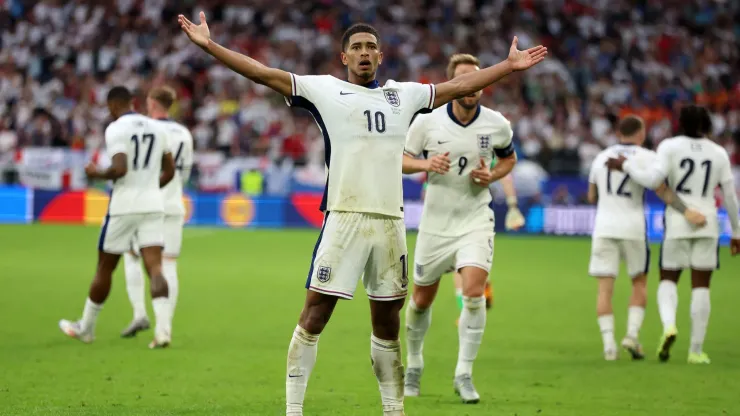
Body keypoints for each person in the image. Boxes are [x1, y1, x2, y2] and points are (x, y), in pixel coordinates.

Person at [179, 12, 546, 416]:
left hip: (390, 224)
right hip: (344, 217)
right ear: (343, 58)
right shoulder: (324, 90)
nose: (364, 52)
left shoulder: (402, 96)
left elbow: (458, 85)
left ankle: (393, 409)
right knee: (315, 314)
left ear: (381, 56)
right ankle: (293, 409)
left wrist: (507, 67)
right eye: (356, 47)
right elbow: (263, 73)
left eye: (371, 46)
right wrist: (211, 46)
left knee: (388, 323)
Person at [401, 53, 518, 404]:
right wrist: (425, 163)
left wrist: (493, 175)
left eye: (478, 79)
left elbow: (509, 158)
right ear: (454, 84)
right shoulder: (427, 123)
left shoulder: (497, 124)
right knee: (421, 300)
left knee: (474, 292)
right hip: (436, 224)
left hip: (475, 220)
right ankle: (415, 364)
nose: (472, 87)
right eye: (465, 80)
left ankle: (464, 373)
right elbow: (401, 160)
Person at [606, 106, 740, 364]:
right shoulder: (718, 152)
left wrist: (628, 165)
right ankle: (696, 350)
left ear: (680, 123)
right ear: (707, 125)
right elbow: (731, 197)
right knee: (702, 285)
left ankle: (669, 325)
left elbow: (652, 179)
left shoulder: (670, 146)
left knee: (668, 278)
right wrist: (736, 232)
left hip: (678, 221)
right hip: (708, 222)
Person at [58, 86, 176, 349]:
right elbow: (170, 172)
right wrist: (149, 189)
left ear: (112, 106)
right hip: (153, 204)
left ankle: (86, 328)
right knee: (155, 267)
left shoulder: (116, 129)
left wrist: (96, 174)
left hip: (123, 206)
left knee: (105, 267)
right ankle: (164, 331)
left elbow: (120, 168)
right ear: (133, 102)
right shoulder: (158, 128)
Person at [588, 115, 704, 361]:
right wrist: (686, 211)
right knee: (639, 282)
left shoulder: (600, 157)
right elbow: (662, 190)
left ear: (618, 133)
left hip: (604, 227)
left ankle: (609, 346)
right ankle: (631, 335)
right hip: (633, 228)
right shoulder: (648, 157)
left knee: (604, 289)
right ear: (640, 134)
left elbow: (591, 196)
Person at [121, 87, 194, 341]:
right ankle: (164, 329)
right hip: (174, 203)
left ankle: (140, 313)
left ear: (151, 102)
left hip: (145, 204)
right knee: (169, 264)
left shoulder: (144, 130)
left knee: (132, 256)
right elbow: (184, 174)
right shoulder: (185, 133)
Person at [452, 161, 525, 315]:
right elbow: (506, 176)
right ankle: (484, 287)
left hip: (462, 215)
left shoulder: (451, 147)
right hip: (481, 215)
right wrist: (513, 205)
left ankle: (467, 307)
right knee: (476, 258)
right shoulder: (485, 146)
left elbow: (429, 188)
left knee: (458, 263)